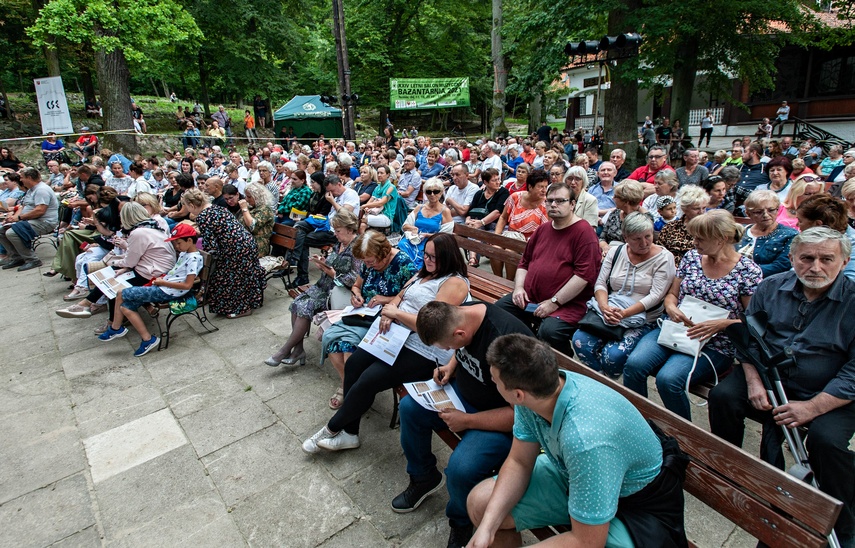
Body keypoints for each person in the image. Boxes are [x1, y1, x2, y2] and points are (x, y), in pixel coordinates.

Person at [467, 334, 689, 548]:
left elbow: (587, 542)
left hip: (637, 505)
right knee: (481, 504)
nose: (492, 382)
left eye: (495, 380)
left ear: (517, 394)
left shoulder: (584, 440)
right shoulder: (538, 393)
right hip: (576, 476)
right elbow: (519, 462)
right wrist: (487, 527)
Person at [709, 227, 855, 545]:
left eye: (826, 259)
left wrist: (813, 407)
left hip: (828, 391)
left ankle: (841, 519)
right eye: (807, 258)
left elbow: (854, 372)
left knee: (826, 441)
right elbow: (748, 340)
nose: (815, 267)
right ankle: (733, 469)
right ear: (792, 259)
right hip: (768, 377)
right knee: (723, 397)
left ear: (844, 261)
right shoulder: (771, 286)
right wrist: (753, 382)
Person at [388, 301, 533, 548]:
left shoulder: (510, 347)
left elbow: (521, 417)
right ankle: (423, 477)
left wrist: (467, 421)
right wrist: (451, 365)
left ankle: (461, 521)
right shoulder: (464, 313)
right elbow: (463, 350)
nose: (446, 349)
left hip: (497, 419)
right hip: (463, 396)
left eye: (446, 346)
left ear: (460, 334)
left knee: (461, 469)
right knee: (410, 408)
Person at [303, 233, 470, 448]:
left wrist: (396, 314)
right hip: (397, 335)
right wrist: (389, 312)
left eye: (433, 257)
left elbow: (432, 325)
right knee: (353, 363)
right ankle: (350, 434)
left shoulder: (453, 282)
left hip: (425, 349)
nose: (427, 260)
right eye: (426, 255)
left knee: (369, 379)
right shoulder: (424, 274)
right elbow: (401, 295)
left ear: (447, 257)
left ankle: (331, 428)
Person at [623, 210, 762, 420]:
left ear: (721, 238)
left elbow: (753, 320)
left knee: (669, 379)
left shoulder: (748, 271)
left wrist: (721, 324)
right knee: (634, 364)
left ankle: (682, 438)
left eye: (700, 238)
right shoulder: (692, 258)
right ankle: (639, 421)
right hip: (676, 329)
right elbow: (672, 294)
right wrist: (671, 307)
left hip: (715, 344)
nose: (694, 242)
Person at [495, 183, 601, 355]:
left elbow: (583, 276)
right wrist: (519, 288)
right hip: (531, 297)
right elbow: (524, 263)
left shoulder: (584, 233)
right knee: (499, 311)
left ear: (572, 204)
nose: (553, 205)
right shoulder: (543, 229)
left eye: (560, 201)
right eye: (549, 201)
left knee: (549, 332)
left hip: (566, 304)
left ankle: (561, 366)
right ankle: (527, 352)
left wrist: (554, 302)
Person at [318, 231, 418, 406]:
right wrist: (356, 296)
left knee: (348, 347)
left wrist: (384, 299)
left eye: (371, 262)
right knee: (331, 342)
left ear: (384, 254)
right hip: (363, 314)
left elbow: (411, 298)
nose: (368, 265)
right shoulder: (368, 261)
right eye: (365, 262)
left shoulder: (403, 263)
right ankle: (348, 385)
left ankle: (352, 391)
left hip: (388, 319)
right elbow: (357, 285)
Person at [574, 213, 676, 376]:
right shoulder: (615, 252)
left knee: (613, 355)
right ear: (626, 237)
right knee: (580, 341)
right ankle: (601, 382)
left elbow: (656, 295)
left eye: (648, 236)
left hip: (642, 317)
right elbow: (601, 283)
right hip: (609, 310)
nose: (644, 243)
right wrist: (604, 307)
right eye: (637, 239)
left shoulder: (664, 258)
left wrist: (624, 313)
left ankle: (607, 383)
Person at [55, 202, 176, 333]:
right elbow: (135, 258)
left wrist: (115, 264)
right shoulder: (150, 226)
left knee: (113, 281)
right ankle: (87, 306)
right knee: (113, 276)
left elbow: (130, 260)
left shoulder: (139, 232)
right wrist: (123, 267)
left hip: (154, 273)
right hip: (153, 268)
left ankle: (100, 315)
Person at [265, 209, 361, 369]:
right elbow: (333, 262)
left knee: (304, 307)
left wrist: (331, 272)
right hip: (323, 285)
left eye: (338, 231)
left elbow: (354, 277)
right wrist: (323, 261)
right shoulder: (340, 244)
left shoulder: (357, 248)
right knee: (296, 303)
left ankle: (284, 351)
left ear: (350, 230)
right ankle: (298, 349)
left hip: (336, 292)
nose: (335, 234)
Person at [98, 224, 204, 356]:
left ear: (189, 240)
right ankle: (148, 339)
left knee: (121, 292)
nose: (176, 246)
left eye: (178, 243)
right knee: (125, 307)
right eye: (175, 243)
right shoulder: (185, 253)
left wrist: (162, 282)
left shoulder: (193, 258)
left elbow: (187, 285)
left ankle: (115, 328)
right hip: (164, 287)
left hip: (167, 291)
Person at [180, 188, 265, 318]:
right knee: (231, 275)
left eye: (186, 206)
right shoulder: (217, 208)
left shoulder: (203, 216)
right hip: (247, 244)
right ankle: (241, 303)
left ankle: (242, 308)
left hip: (236, 250)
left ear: (191, 205)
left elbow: (211, 246)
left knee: (224, 275)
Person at [290, 175, 359, 286]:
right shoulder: (334, 195)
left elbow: (345, 214)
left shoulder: (350, 194)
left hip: (337, 231)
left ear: (339, 184)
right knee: (300, 227)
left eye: (332, 190)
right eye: (329, 191)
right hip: (326, 224)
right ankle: (295, 258)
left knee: (302, 240)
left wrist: (332, 201)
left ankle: (299, 270)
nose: (331, 193)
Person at [0, 167, 59, 271]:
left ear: (29, 178)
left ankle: (32, 259)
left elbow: (40, 210)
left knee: (11, 233)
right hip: (31, 220)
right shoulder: (31, 190)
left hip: (44, 222)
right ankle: (16, 257)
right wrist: (13, 218)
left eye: (22, 178)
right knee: (1, 230)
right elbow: (23, 206)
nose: (20, 180)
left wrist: (19, 218)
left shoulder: (41, 190)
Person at [490, 169, 546, 278]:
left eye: (545, 187)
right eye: (540, 187)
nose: (544, 190)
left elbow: (545, 231)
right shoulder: (516, 197)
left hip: (529, 242)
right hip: (510, 235)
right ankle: (497, 279)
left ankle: (509, 282)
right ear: (530, 187)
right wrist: (496, 236)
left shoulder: (545, 204)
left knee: (511, 251)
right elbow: (503, 217)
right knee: (495, 248)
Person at [736, 189, 798, 277]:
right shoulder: (739, 231)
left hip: (768, 283)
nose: (765, 215)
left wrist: (744, 272)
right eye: (758, 212)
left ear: (778, 210)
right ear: (748, 214)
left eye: (771, 210)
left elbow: (782, 265)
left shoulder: (790, 235)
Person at [796, 193, 855, 282]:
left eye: (800, 221)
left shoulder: (852, 244)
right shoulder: (804, 241)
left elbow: (850, 281)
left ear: (818, 224)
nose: (797, 225)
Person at [398, 178, 453, 269]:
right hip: (414, 241)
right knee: (402, 245)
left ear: (441, 192)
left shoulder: (445, 211)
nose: (432, 194)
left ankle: (412, 273)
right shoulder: (419, 207)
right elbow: (405, 226)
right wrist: (413, 229)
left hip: (432, 243)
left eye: (436, 191)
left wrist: (427, 235)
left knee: (418, 256)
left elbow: (446, 236)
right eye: (428, 191)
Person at [659, 185, 709, 267]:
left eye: (704, 208)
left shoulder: (709, 230)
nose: (701, 212)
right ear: (684, 208)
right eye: (696, 209)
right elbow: (659, 253)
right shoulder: (670, 227)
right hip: (669, 269)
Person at [598, 181, 650, 253]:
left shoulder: (645, 219)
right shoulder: (614, 214)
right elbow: (602, 238)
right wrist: (605, 248)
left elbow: (642, 245)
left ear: (626, 202)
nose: (613, 198)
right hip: (609, 252)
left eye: (616, 196)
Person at [237, 182, 275, 257]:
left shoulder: (265, 209)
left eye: (249, 197)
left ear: (257, 197)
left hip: (257, 245)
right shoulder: (251, 208)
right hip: (245, 242)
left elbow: (253, 227)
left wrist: (244, 209)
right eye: (246, 196)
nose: (246, 200)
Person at [359, 165, 398, 232]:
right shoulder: (377, 188)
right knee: (362, 225)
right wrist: (366, 208)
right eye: (378, 173)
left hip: (386, 216)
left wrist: (365, 206)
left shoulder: (391, 187)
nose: (379, 175)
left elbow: (381, 203)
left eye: (382, 173)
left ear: (388, 175)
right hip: (374, 213)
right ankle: (362, 241)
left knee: (361, 219)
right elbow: (371, 200)